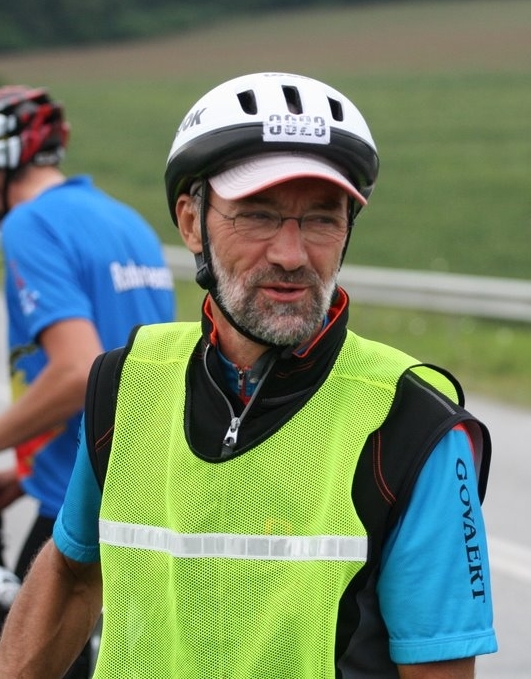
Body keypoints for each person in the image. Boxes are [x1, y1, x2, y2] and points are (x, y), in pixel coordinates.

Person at [0, 73, 497, 678]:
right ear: (191, 222)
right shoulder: (128, 381)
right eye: (258, 216)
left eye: (321, 219)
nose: (291, 254)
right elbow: (74, 576)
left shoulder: (413, 422)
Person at [0, 86, 175, 675]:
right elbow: (131, 375)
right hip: (144, 491)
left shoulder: (28, 225)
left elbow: (78, 372)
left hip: (78, 508)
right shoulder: (125, 220)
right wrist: (25, 473)